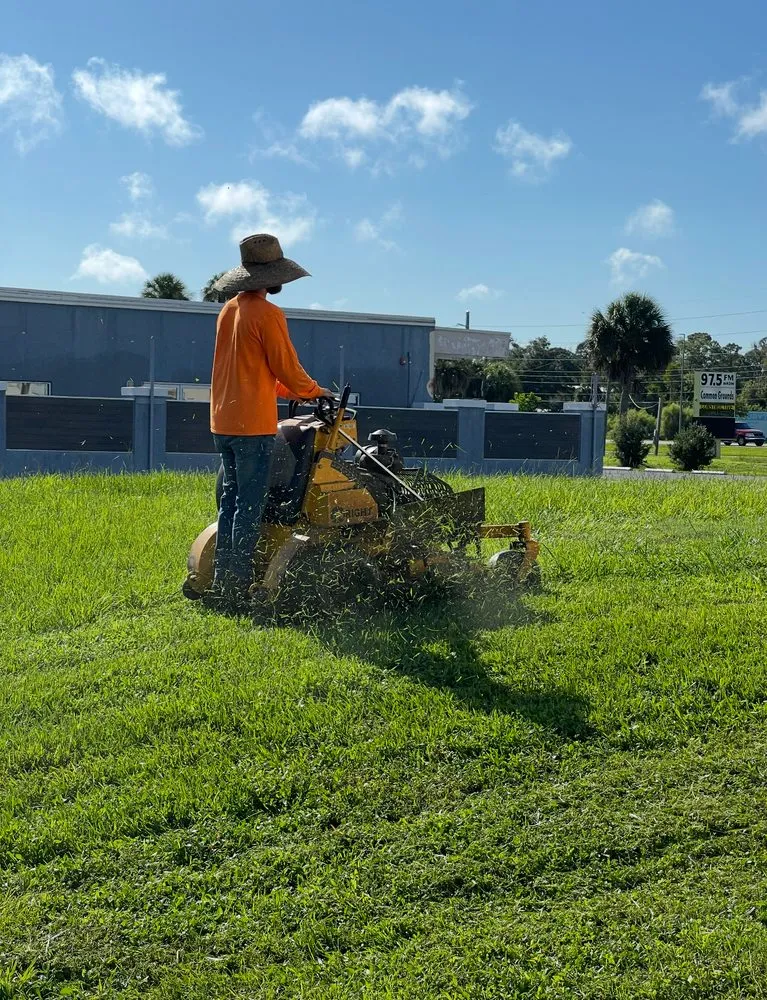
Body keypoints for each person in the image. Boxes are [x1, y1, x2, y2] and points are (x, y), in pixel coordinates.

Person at [208, 233, 332, 608]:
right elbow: (287, 368)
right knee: (249, 506)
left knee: (230, 501)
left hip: (223, 421)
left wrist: (295, 392)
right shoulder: (268, 314)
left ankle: (221, 579)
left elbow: (253, 371)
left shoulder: (228, 310)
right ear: (274, 277)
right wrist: (316, 391)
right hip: (252, 427)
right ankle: (236, 587)